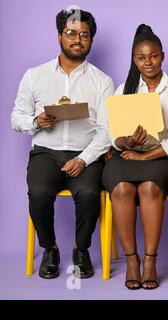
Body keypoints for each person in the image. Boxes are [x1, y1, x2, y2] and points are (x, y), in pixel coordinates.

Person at [11, 9, 114, 279]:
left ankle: (81, 249)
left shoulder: (103, 82)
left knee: (90, 194)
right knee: (40, 192)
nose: (77, 39)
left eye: (84, 35)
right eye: (71, 33)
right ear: (59, 37)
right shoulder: (34, 75)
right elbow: (16, 117)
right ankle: (50, 248)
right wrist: (36, 121)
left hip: (86, 152)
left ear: (91, 40)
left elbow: (106, 131)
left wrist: (83, 159)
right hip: (46, 152)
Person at [102, 24, 168, 290]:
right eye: (141, 57)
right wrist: (126, 141)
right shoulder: (124, 89)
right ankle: (131, 260)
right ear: (134, 59)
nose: (148, 62)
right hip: (126, 156)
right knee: (122, 188)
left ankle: (150, 259)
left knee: (149, 187)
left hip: (162, 160)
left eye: (153, 56)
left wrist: (147, 157)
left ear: (163, 56)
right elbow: (112, 132)